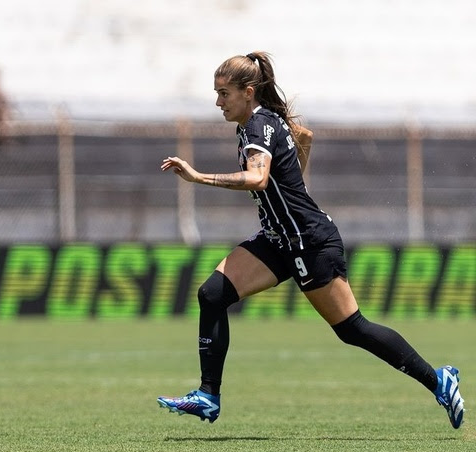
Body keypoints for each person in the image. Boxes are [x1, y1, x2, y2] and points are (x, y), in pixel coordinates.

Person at [157, 51, 465, 429]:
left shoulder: (257, 126)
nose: (218, 102)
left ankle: (439, 381)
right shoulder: (261, 123)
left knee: (352, 329)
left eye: (224, 93)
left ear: (248, 92)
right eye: (217, 93)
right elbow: (303, 136)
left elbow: (257, 179)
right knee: (212, 294)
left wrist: (198, 177)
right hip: (278, 240)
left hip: (310, 242)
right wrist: (293, 182)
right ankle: (208, 395)